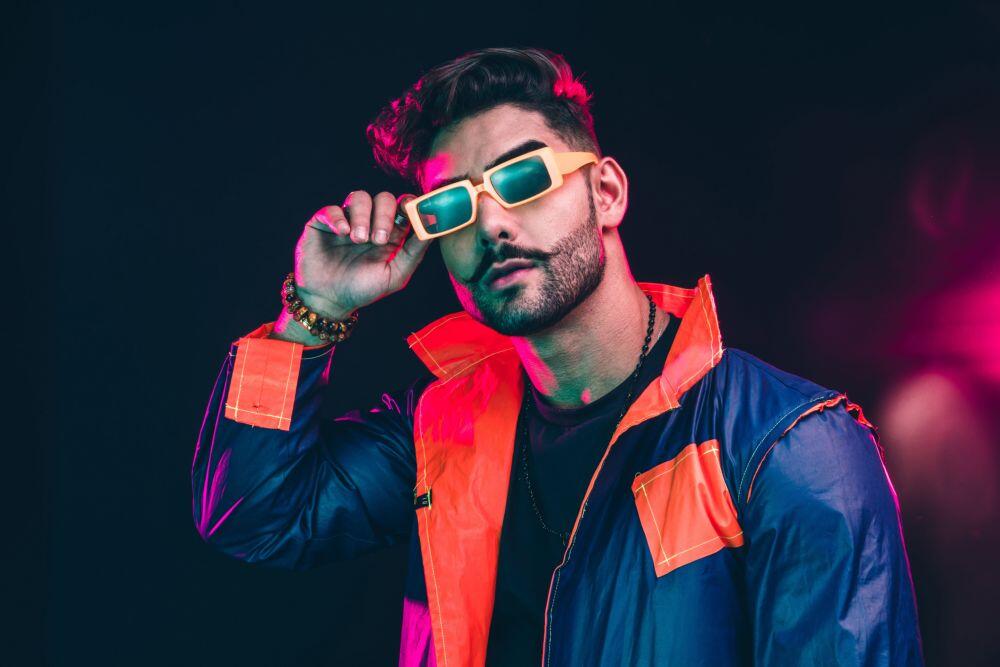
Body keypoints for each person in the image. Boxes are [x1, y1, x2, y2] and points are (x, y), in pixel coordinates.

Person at [191, 47, 923, 666]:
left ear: (606, 192)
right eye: (451, 207)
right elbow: (256, 515)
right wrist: (313, 314)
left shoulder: (788, 449)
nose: (492, 224)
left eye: (523, 179)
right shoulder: (442, 429)